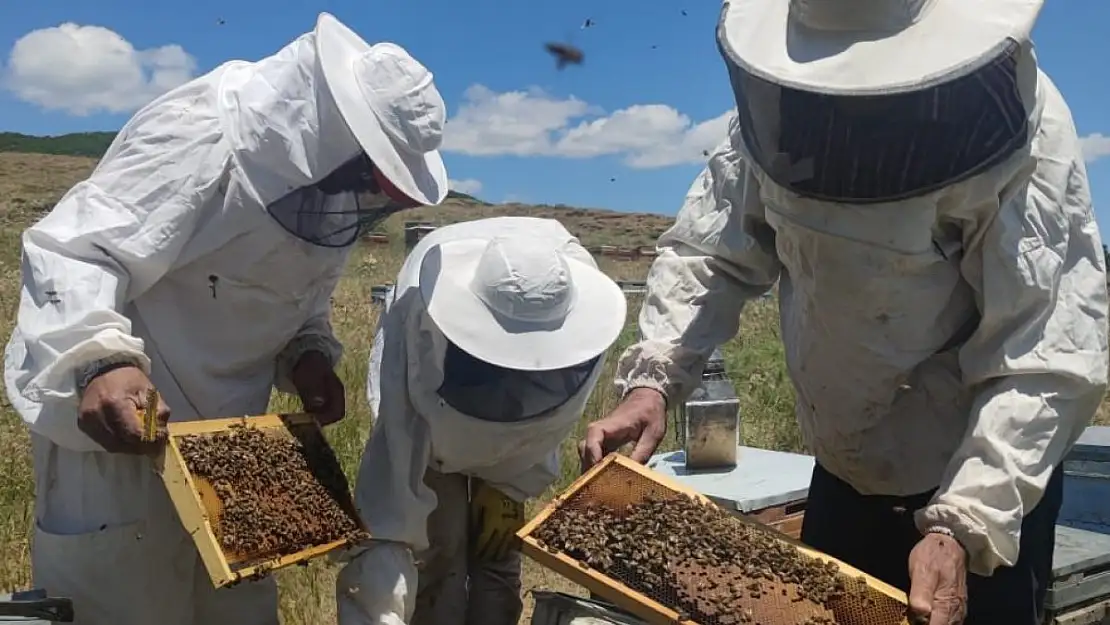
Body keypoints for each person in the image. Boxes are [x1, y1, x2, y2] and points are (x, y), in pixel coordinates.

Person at [580, 1, 1108, 624]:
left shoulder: (1022, 123)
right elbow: (712, 250)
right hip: (842, 475)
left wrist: (967, 519)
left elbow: (1045, 346)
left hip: (977, 485)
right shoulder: (782, 104)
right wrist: (654, 378)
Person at [3, 13, 449, 625]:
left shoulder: (323, 190)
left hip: (231, 458)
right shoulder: (200, 133)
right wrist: (98, 358)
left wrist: (308, 354)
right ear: (328, 134)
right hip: (125, 436)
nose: (363, 197)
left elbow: (300, 293)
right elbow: (77, 248)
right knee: (124, 608)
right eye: (365, 176)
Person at [335, 216, 627, 625]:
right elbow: (392, 505)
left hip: (512, 447)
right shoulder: (419, 313)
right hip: (431, 438)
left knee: (498, 557)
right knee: (438, 550)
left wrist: (512, 485)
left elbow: (552, 423)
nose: (519, 381)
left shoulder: (564, 294)